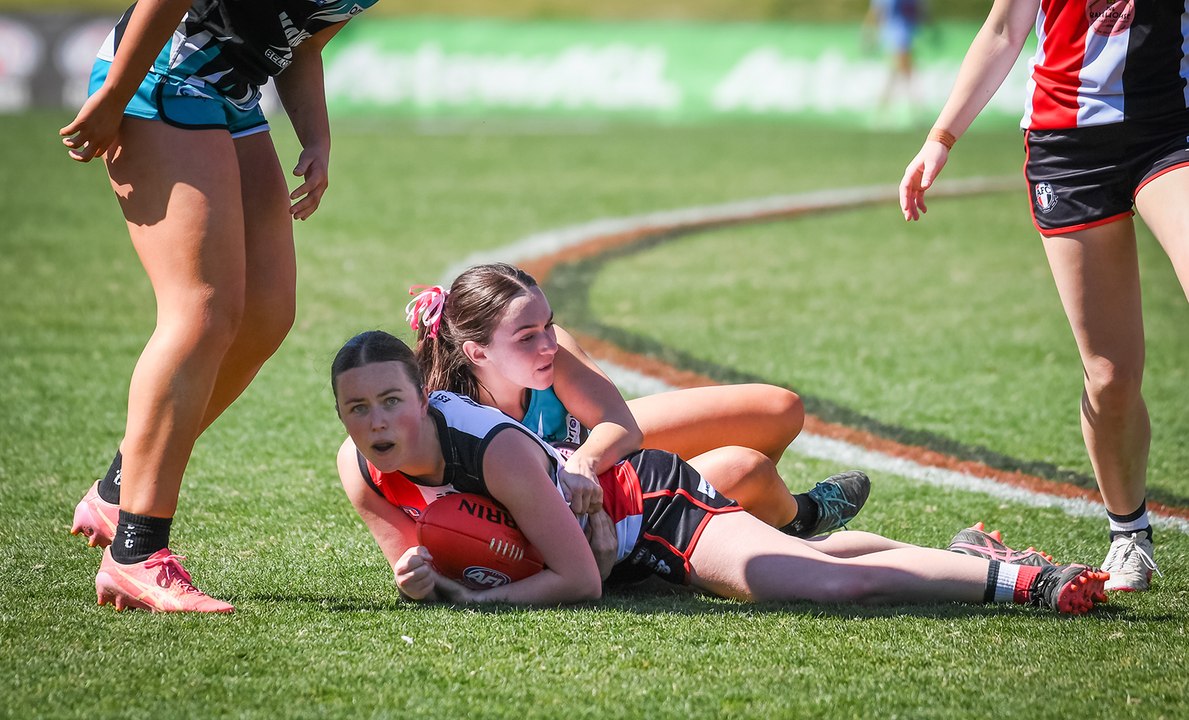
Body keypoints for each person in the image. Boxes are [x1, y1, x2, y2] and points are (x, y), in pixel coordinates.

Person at [332, 329, 1109, 613]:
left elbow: (580, 582)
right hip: (622, 547)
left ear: (424, 398)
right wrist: (424, 583)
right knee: (812, 561)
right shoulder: (360, 471)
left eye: (390, 402)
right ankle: (971, 555)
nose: (374, 424)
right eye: (356, 409)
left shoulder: (492, 448)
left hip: (655, 508)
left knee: (823, 586)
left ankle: (1028, 584)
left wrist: (472, 601)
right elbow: (422, 569)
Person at [63, 0, 380, 612]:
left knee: (266, 312)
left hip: (232, 96)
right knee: (200, 310)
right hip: (159, 77)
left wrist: (317, 138)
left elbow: (302, 45)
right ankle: (135, 552)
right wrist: (114, 95)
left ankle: (118, 490)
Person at [898, 0, 1185, 592]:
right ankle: (1128, 534)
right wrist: (941, 137)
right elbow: (1005, 30)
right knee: (1109, 376)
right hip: (1069, 147)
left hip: (1171, 128)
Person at [406, 263, 869, 538]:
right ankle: (797, 522)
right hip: (596, 509)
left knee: (780, 408)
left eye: (549, 324)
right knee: (746, 467)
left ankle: (748, 520)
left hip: (601, 462)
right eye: (528, 336)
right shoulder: (448, 413)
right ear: (476, 352)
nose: (548, 343)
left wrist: (583, 461)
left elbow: (622, 427)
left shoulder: (553, 348)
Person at [863, 0, 925, 126]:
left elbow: (918, 11)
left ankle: (881, 111)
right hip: (896, 34)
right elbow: (877, 12)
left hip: (905, 33)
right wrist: (868, 32)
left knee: (895, 74)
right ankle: (914, 111)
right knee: (906, 73)